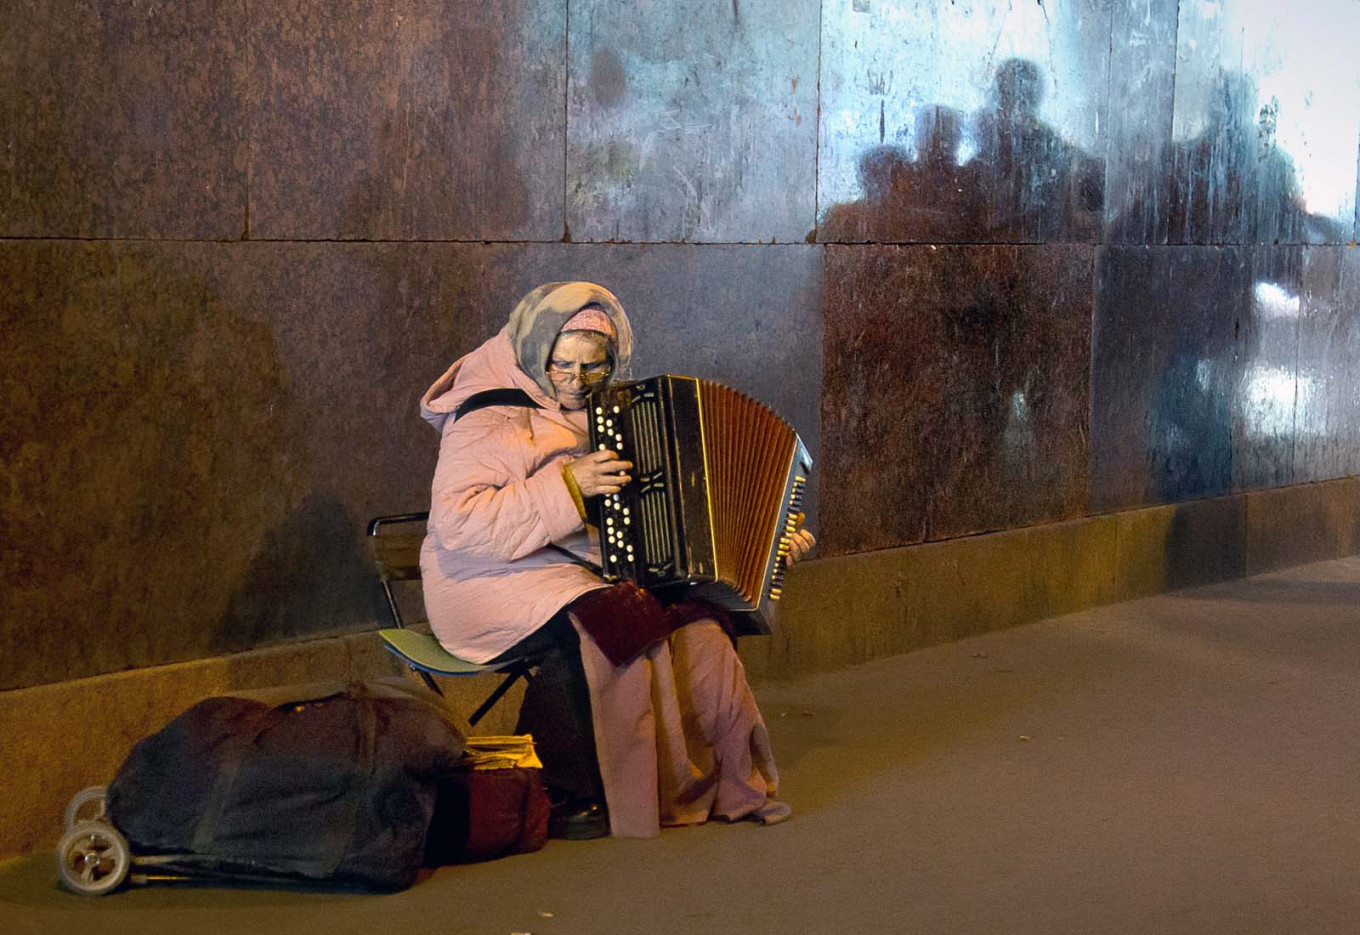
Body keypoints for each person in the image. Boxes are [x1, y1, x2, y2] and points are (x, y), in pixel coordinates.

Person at [418, 281, 814, 839]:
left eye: (594, 368)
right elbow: (461, 526)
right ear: (536, 353)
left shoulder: (621, 410)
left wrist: (770, 545)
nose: (577, 382)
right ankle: (558, 790)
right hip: (482, 582)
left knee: (694, 618)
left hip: (570, 572)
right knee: (603, 624)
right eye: (562, 366)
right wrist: (568, 487)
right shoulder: (487, 413)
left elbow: (669, 514)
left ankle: (702, 779)